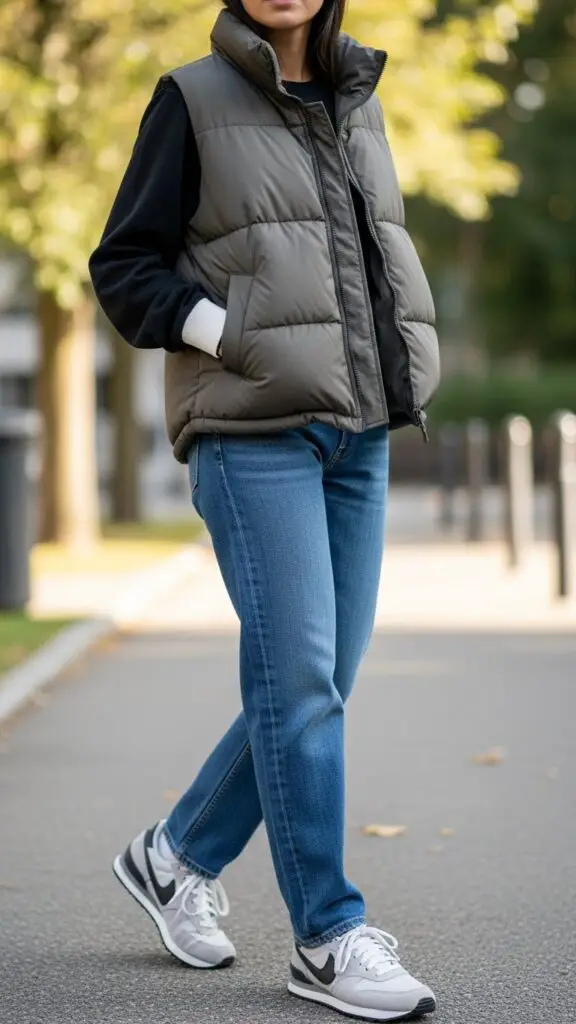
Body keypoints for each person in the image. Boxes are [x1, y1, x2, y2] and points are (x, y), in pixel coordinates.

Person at [89, 0, 440, 1019]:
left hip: (360, 430)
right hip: (252, 431)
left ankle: (176, 854)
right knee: (302, 685)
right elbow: (125, 268)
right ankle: (328, 936)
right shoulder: (191, 100)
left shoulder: (358, 96)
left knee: (319, 681)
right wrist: (226, 331)